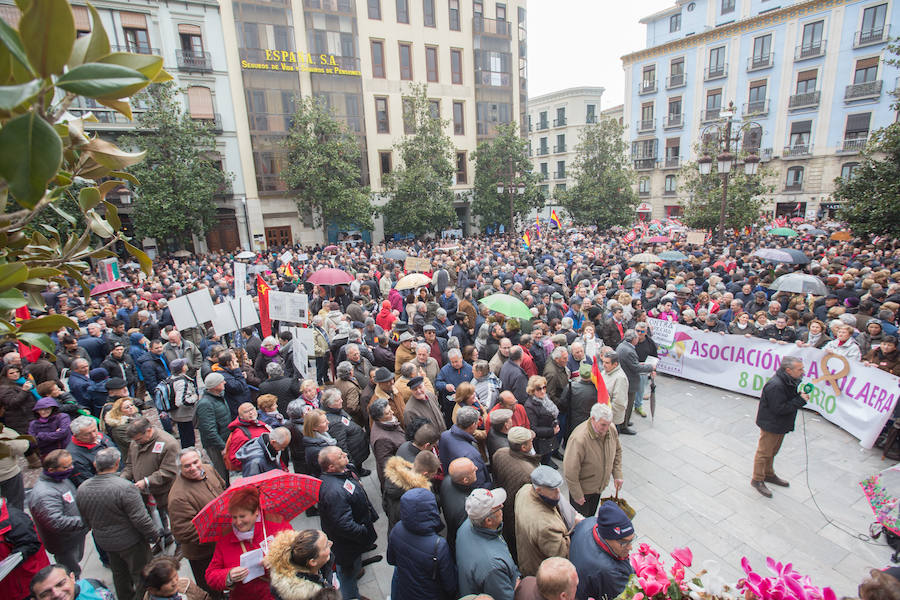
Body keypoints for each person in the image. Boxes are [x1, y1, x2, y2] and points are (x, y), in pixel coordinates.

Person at [76, 447, 159, 600]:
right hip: (131, 542)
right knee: (142, 574)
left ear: (95, 465)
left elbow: (85, 518)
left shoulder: (83, 488)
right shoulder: (125, 487)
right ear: (116, 464)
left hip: (105, 541)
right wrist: (154, 535)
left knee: (119, 574)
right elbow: (140, 519)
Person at [316, 446, 381, 600]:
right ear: (331, 467)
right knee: (347, 574)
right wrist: (363, 532)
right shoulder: (334, 492)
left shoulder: (341, 474)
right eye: (340, 456)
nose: (345, 455)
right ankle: (352, 596)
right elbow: (344, 525)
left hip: (354, 540)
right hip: (347, 545)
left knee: (353, 566)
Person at [205, 487, 292, 600]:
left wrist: (278, 561)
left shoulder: (277, 525)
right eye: (234, 517)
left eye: (242, 516)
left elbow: (297, 553)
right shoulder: (225, 538)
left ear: (256, 512)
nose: (238, 522)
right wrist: (229, 575)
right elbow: (210, 575)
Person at [167, 448, 226, 597]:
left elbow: (223, 488)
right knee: (211, 591)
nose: (193, 468)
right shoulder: (178, 496)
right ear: (180, 469)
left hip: (221, 543)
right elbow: (183, 532)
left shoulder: (208, 470)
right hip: (203, 554)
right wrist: (217, 528)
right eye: (187, 466)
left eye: (195, 462)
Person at [751, 356, 810, 498]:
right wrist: (800, 400)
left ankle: (768, 473)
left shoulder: (789, 380)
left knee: (773, 450)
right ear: (788, 370)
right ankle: (757, 478)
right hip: (772, 423)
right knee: (764, 452)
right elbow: (779, 408)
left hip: (781, 423)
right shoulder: (776, 385)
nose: (803, 371)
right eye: (800, 369)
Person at [387, 487, 458, 600]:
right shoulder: (438, 545)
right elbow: (450, 584)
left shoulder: (397, 528)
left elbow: (391, 560)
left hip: (406, 590)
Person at [28, 450, 88, 578]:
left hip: (74, 535)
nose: (71, 468)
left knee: (76, 562)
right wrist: (86, 521)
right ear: (51, 470)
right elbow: (56, 522)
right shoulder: (44, 494)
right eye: (66, 467)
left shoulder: (61, 479)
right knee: (71, 572)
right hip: (64, 542)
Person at [120, 417, 180, 544]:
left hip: (166, 491)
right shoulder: (135, 442)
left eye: (139, 439)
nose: (137, 443)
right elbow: (130, 464)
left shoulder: (168, 443)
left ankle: (180, 543)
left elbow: (168, 471)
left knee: (175, 520)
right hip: (146, 494)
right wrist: (123, 479)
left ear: (148, 431)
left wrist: (146, 481)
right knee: (156, 520)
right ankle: (164, 539)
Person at [455, 487, 520, 600]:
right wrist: (518, 585)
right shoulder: (492, 567)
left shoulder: (465, 527)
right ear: (488, 521)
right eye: (498, 508)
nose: (502, 507)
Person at [563, 403, 623, 518]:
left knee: (591, 517)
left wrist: (617, 474)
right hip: (583, 492)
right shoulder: (579, 439)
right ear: (593, 419)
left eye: (608, 424)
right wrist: (577, 494)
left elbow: (618, 451)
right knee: (579, 523)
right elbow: (570, 471)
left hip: (598, 488)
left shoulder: (611, 429)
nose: (606, 429)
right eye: (603, 425)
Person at [514, 465, 575, 577]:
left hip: (526, 559)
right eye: (552, 489)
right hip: (540, 572)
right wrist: (574, 528)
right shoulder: (546, 526)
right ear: (539, 490)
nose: (558, 492)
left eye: (558, 487)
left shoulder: (524, 490)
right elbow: (563, 556)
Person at [569, 502, 635, 600]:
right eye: (624, 543)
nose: (630, 547)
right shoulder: (609, 572)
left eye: (631, 540)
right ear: (607, 537)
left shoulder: (590, 522)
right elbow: (625, 596)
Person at [265, 529, 338, 600]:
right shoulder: (310, 595)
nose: (331, 543)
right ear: (313, 562)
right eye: (325, 546)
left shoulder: (320, 566)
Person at [382, 451, 439, 534]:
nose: (434, 477)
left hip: (394, 528)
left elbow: (385, 505)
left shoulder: (393, 478)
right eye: (433, 474)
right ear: (425, 473)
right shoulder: (420, 495)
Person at [320, 388, 370, 475]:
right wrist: (350, 465)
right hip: (353, 452)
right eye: (338, 400)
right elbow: (341, 444)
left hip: (356, 449)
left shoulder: (337, 410)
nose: (342, 401)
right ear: (330, 404)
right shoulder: (334, 423)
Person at [615, 330, 654, 436]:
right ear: (633, 339)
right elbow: (636, 368)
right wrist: (650, 367)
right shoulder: (629, 351)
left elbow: (633, 364)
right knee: (628, 404)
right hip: (629, 380)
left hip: (626, 377)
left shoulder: (622, 346)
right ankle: (624, 425)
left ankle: (625, 421)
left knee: (627, 403)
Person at [439, 405, 490, 487]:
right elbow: (479, 484)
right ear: (473, 425)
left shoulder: (444, 436)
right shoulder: (472, 456)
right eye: (477, 423)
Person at [195, 373, 231, 484]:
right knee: (221, 473)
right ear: (215, 386)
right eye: (221, 381)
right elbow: (209, 430)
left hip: (223, 439)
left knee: (227, 469)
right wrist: (222, 446)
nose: (224, 382)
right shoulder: (205, 404)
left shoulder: (218, 396)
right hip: (215, 445)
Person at [66, 416, 118, 488]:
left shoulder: (101, 436)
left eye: (94, 430)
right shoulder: (74, 456)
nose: (93, 435)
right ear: (76, 435)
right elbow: (88, 483)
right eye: (87, 434)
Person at [158, 358, 199, 448]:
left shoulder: (171, 378)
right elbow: (181, 401)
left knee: (184, 435)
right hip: (184, 415)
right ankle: (189, 453)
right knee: (188, 437)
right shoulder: (181, 382)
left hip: (177, 414)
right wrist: (195, 397)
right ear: (182, 368)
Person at [524, 375, 561, 468]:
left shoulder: (545, 398)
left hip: (550, 436)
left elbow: (553, 414)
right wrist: (552, 431)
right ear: (532, 390)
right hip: (541, 440)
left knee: (548, 454)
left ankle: (548, 460)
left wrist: (556, 423)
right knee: (542, 461)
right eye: (539, 389)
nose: (543, 391)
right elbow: (534, 429)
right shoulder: (530, 406)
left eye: (544, 387)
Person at [369, 397, 406, 488]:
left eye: (390, 410)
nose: (392, 413)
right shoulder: (381, 439)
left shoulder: (388, 422)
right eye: (388, 413)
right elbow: (388, 464)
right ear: (379, 418)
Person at [29, 564, 114, 600]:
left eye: (60, 584)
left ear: (72, 578)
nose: (56, 593)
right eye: (45, 593)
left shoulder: (94, 589)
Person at [141, 555, 209, 600]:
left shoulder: (186, 585)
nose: (175, 582)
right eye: (168, 581)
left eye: (175, 576)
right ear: (153, 589)